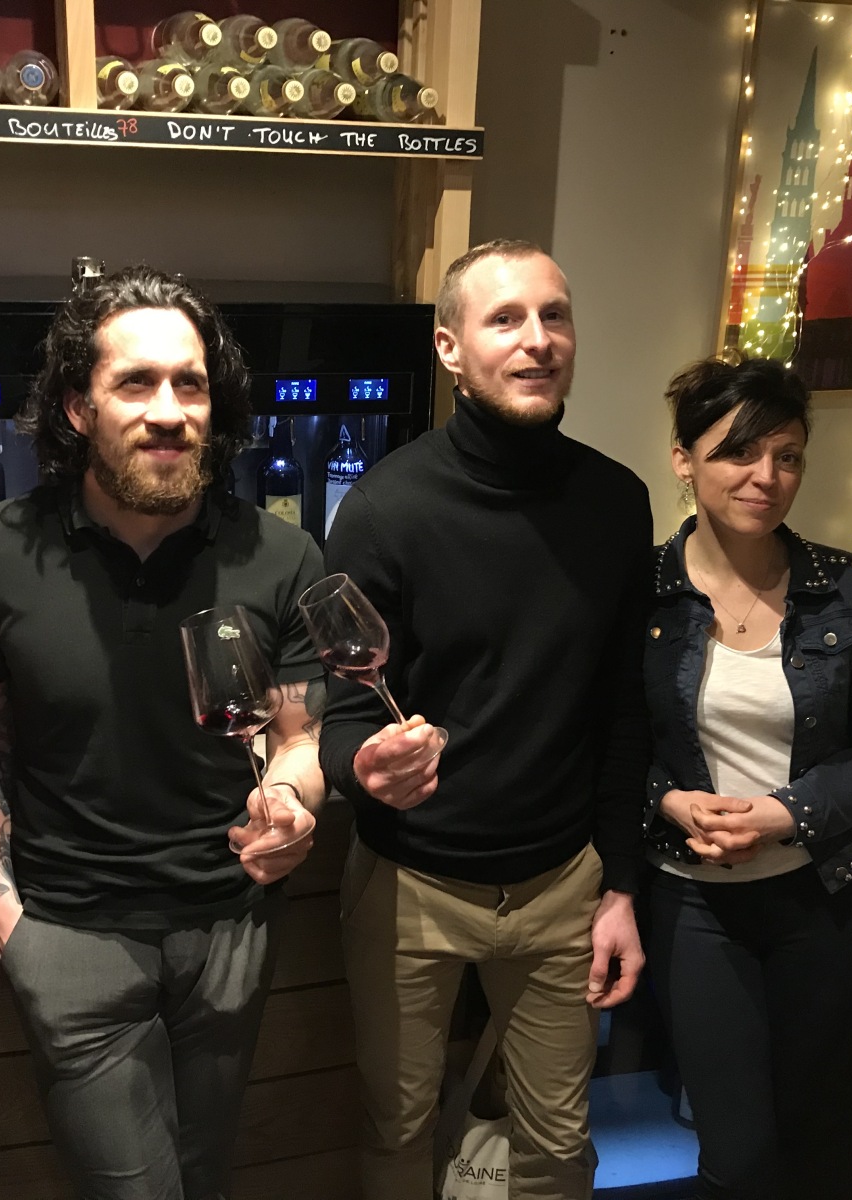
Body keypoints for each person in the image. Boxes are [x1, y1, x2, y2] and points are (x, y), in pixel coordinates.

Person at [0, 266, 326, 1200]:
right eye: (136, 383)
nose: (168, 412)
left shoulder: (281, 555)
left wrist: (291, 804)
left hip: (231, 921)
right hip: (70, 927)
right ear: (78, 408)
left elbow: (298, 738)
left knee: (205, 1176)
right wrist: (8, 919)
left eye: (190, 385)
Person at [319, 238, 651, 1199]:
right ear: (450, 349)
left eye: (555, 316)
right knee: (397, 1130)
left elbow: (623, 709)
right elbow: (341, 717)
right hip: (409, 885)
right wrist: (365, 767)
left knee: (559, 1147)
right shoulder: (384, 509)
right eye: (505, 319)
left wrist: (620, 887)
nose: (537, 339)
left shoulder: (618, 502)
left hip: (562, 884)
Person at [640, 356, 852, 1199]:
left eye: (787, 455)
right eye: (738, 451)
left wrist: (786, 812)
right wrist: (669, 799)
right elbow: (603, 743)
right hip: (694, 902)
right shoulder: (640, 592)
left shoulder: (851, 589)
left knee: (799, 1124)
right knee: (740, 1146)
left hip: (827, 897)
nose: (766, 476)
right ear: (684, 459)